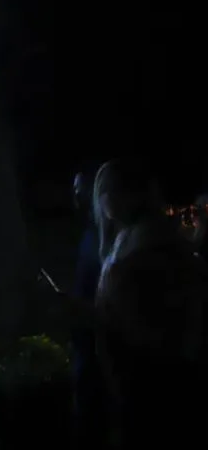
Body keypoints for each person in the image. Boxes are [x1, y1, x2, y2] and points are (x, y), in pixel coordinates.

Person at [92, 159, 208, 446]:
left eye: (112, 191)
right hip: (132, 377)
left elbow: (147, 321)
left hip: (153, 380)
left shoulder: (154, 247)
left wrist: (91, 316)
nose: (104, 200)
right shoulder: (125, 239)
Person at [69, 170, 108, 449]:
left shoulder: (104, 236)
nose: (76, 196)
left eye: (81, 190)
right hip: (85, 332)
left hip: (100, 334)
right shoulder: (90, 234)